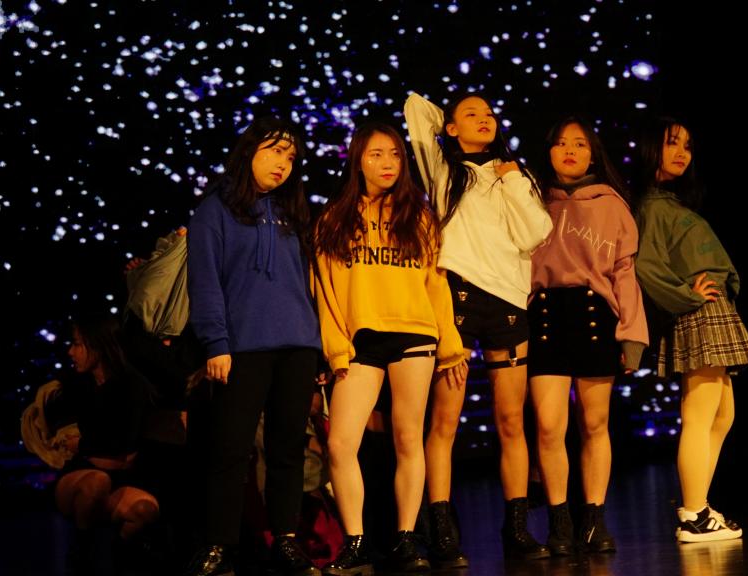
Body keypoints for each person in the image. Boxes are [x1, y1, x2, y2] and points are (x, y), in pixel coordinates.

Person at [404, 91, 553, 562]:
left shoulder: (515, 175)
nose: (485, 119)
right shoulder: (444, 170)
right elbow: (415, 108)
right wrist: (451, 127)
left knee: (511, 420)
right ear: (450, 127)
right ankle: (442, 528)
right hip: (459, 297)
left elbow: (535, 234)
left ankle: (517, 527)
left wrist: (511, 178)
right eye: (472, 114)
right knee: (445, 420)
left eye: (489, 114)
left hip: (508, 302)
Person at [312, 123, 466, 574]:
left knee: (407, 437)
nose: (387, 163)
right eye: (376, 154)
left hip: (414, 334)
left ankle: (406, 537)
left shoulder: (418, 216)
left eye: (395, 154)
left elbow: (436, 284)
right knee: (341, 442)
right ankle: (356, 542)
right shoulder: (334, 219)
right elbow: (325, 292)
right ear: (358, 160)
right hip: (361, 341)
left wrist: (451, 345)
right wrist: (335, 349)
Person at [184, 116, 323, 576]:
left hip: (298, 345)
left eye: (291, 156)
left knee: (288, 450)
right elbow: (205, 281)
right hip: (242, 347)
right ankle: (219, 544)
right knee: (230, 449)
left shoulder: (292, 211)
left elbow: (308, 283)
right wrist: (215, 343)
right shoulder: (215, 210)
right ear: (249, 152)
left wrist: (318, 347)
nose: (283, 163)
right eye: (274, 150)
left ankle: (285, 540)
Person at [633, 116, 748, 543]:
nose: (682, 153)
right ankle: (692, 513)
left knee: (723, 415)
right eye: (672, 143)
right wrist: (685, 295)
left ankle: (700, 505)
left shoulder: (673, 204)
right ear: (651, 148)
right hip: (698, 313)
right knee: (700, 415)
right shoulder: (651, 206)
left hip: (713, 308)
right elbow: (646, 266)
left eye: (686, 145)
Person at [528, 116, 648, 555]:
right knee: (548, 426)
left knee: (594, 424)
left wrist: (632, 335)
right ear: (549, 152)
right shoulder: (531, 200)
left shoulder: (612, 205)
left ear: (593, 154)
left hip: (595, 315)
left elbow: (624, 273)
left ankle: (594, 519)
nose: (570, 151)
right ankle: (560, 519)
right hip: (544, 315)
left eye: (579, 144)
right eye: (561, 143)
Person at [53, 313, 159, 573]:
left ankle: (119, 556)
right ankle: (82, 557)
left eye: (77, 344)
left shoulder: (132, 385)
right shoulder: (77, 383)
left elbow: (123, 448)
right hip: (80, 476)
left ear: (99, 346)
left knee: (144, 510)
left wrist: (83, 445)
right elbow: (61, 434)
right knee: (96, 482)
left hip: (120, 478)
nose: (70, 352)